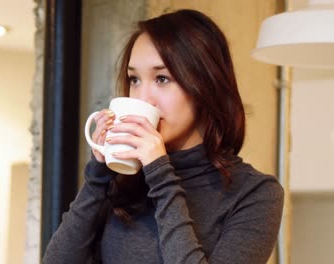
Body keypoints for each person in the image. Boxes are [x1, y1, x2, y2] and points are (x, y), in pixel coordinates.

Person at [42, 9, 284, 264]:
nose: (143, 97)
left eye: (162, 78)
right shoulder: (121, 181)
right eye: (134, 79)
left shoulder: (255, 193)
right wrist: (98, 176)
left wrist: (160, 175)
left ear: (204, 84)